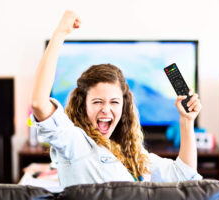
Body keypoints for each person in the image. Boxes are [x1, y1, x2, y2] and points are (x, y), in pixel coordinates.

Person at [31, 10, 203, 188]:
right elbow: (39, 103)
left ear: (124, 106)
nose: (106, 109)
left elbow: (185, 176)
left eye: (114, 102)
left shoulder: (134, 154)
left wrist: (186, 121)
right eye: (98, 102)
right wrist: (60, 33)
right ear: (83, 105)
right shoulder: (75, 144)